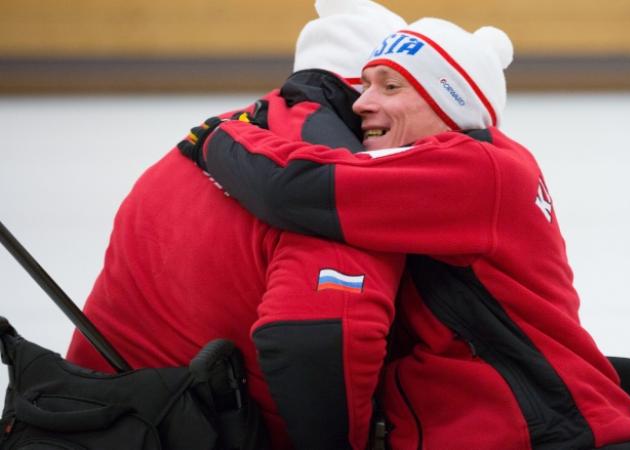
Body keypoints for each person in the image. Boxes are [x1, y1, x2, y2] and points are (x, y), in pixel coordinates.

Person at [188, 17, 630, 449]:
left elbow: (292, 190)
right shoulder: (478, 167)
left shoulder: (476, 168)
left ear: (450, 103)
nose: (361, 102)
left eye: (390, 87)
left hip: (551, 436)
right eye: (364, 85)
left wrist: (221, 135)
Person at [67, 1, 408, 449]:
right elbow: (317, 341)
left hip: (86, 418)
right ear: (362, 92)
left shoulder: (207, 138)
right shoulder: (342, 184)